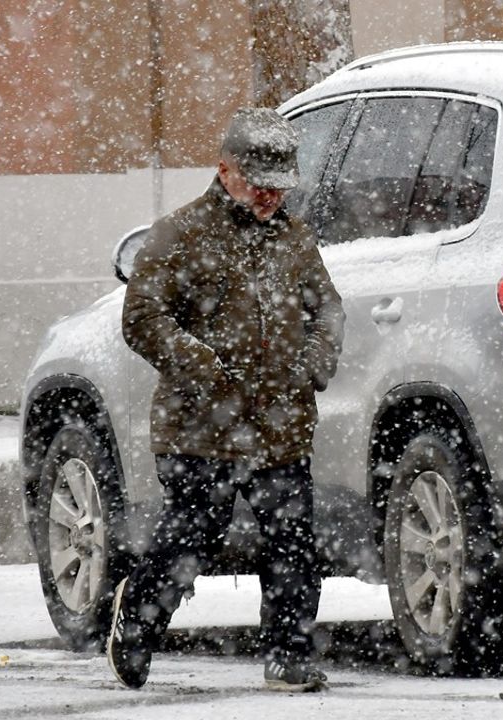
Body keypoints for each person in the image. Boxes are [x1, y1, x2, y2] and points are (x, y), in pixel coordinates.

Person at [108, 107, 344, 692]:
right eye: (259, 184)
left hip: (282, 423)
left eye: (279, 186)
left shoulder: (294, 236)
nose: (269, 196)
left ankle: (290, 655)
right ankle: (137, 622)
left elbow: (328, 309)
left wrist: (315, 362)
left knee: (292, 542)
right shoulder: (181, 234)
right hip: (200, 425)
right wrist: (202, 366)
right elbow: (142, 318)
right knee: (194, 533)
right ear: (226, 171)